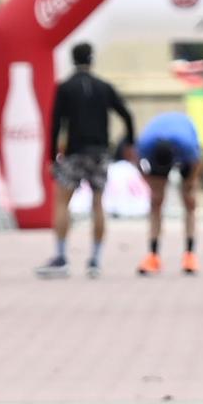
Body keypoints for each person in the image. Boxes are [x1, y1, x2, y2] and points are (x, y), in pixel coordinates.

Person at [37, 41, 136, 280]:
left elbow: (56, 123)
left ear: (73, 59)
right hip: (100, 151)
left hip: (75, 151)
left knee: (63, 201)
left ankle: (61, 257)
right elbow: (127, 114)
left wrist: (51, 156)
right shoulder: (104, 87)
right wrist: (130, 141)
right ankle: (95, 259)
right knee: (98, 203)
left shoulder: (65, 87)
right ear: (92, 60)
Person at [134, 110, 202, 277]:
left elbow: (197, 163)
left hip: (185, 153)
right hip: (157, 149)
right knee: (156, 202)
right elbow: (136, 163)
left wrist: (191, 185)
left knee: (189, 202)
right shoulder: (144, 145)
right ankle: (153, 255)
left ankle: (190, 254)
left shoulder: (187, 146)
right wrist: (150, 184)